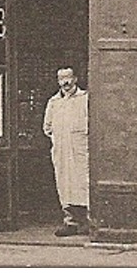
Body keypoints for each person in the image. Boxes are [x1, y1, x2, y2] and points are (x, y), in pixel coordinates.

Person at [42, 66, 90, 236]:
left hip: (81, 151)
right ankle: (70, 222)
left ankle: (88, 221)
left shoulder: (85, 99)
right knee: (65, 186)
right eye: (62, 78)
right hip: (61, 152)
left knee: (83, 184)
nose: (66, 82)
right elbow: (47, 127)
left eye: (69, 77)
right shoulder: (54, 102)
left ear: (75, 79)